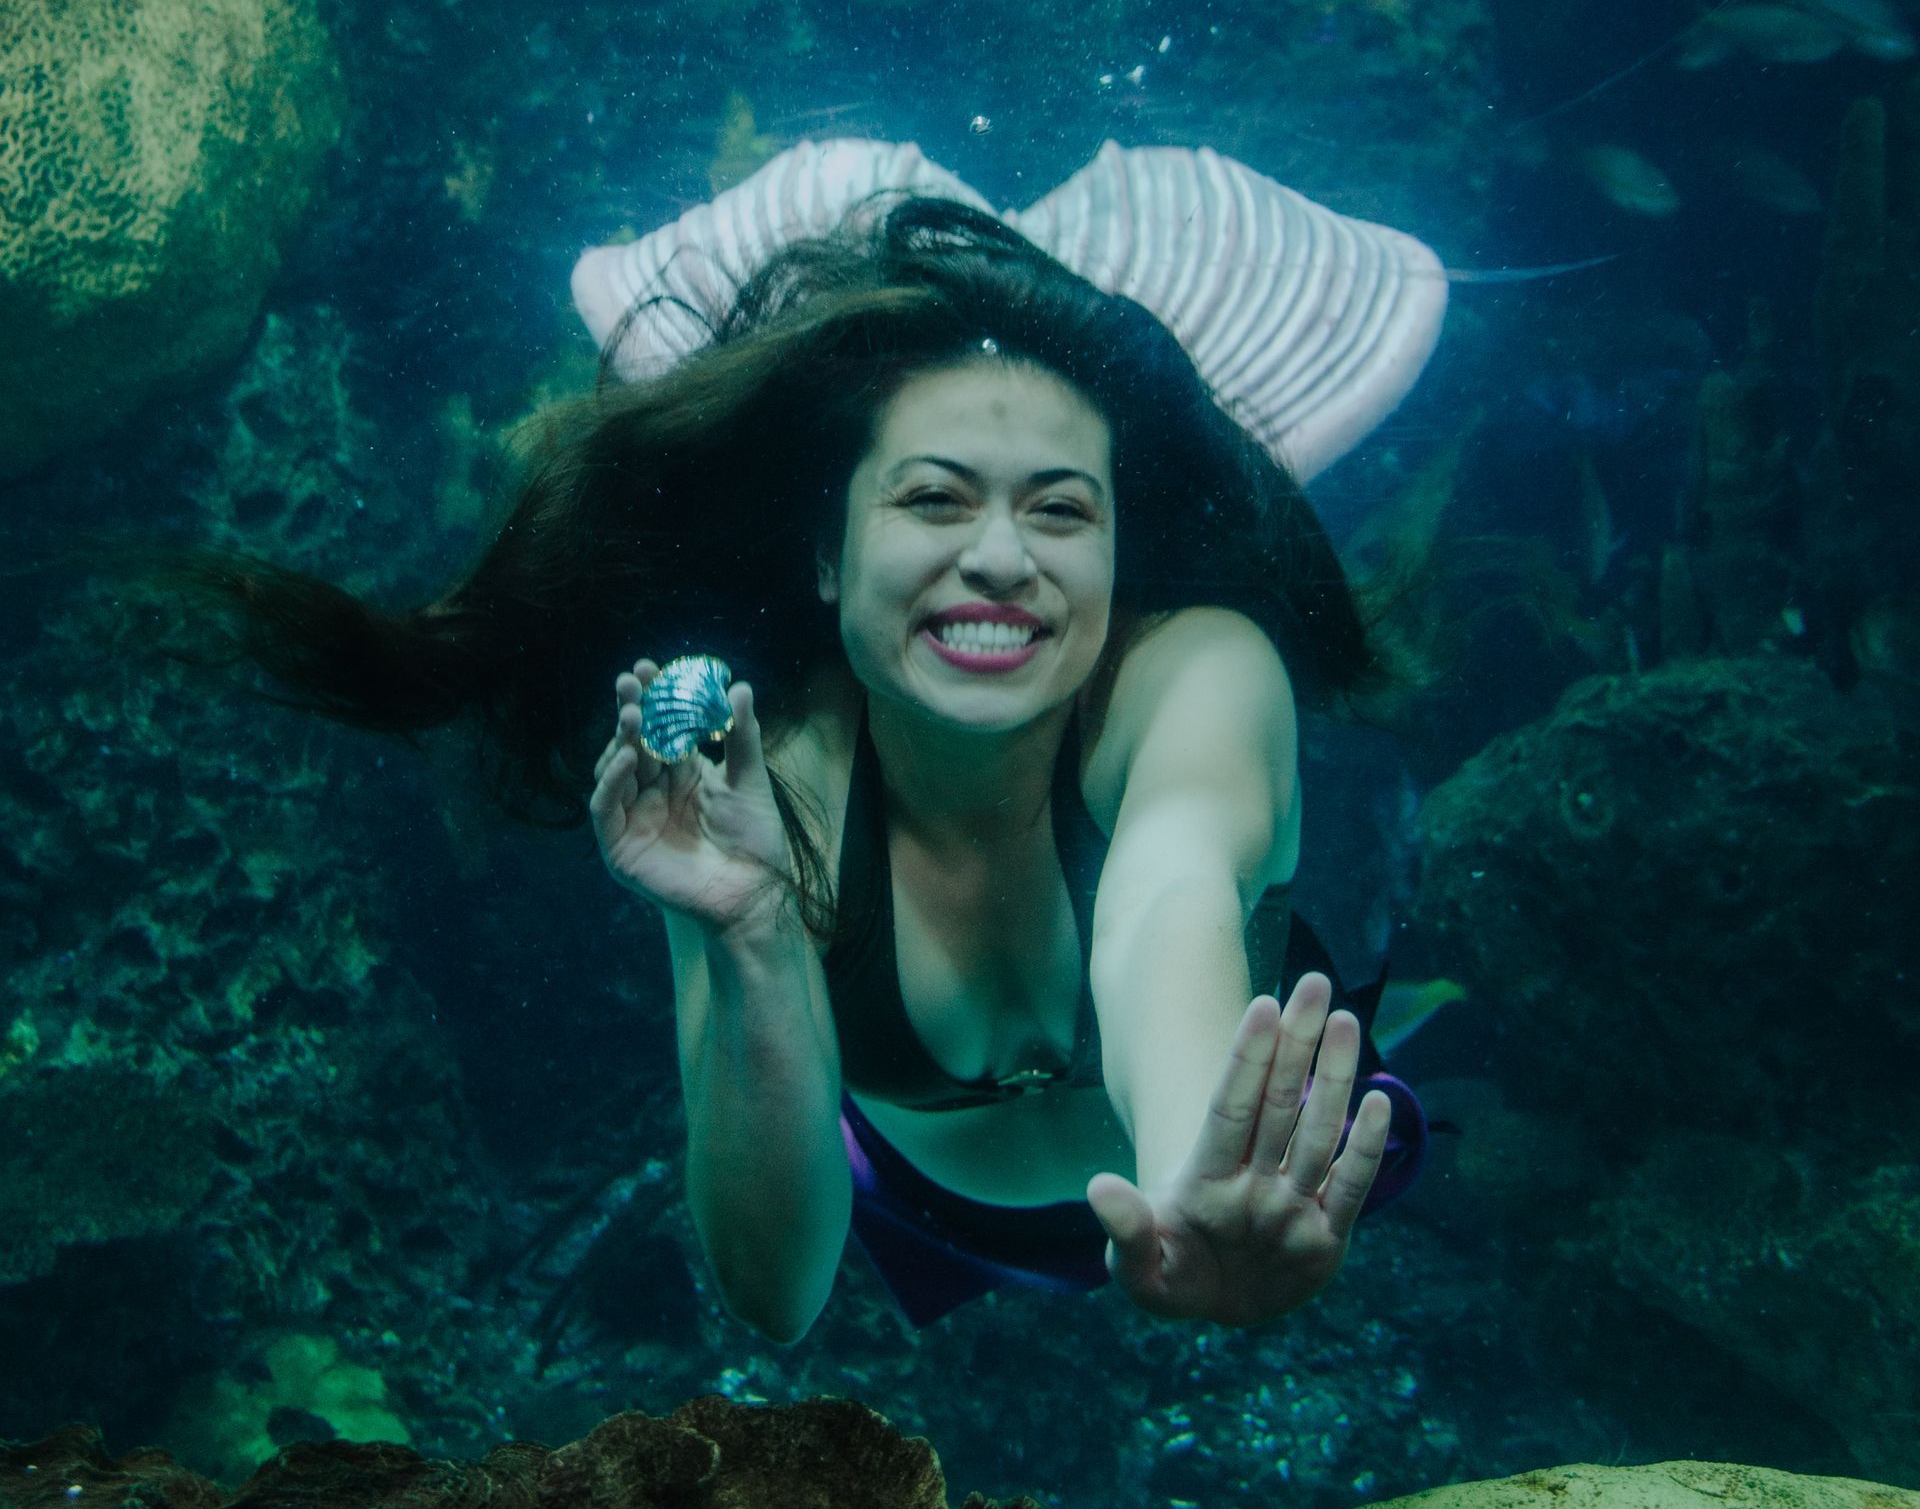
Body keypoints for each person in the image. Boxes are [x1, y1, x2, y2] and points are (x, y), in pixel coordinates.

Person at [201, 174, 1434, 1343]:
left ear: (1118, 558)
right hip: (933, 1214)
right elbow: (777, 1294)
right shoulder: (768, 768)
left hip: (1236, 1203)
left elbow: (1165, 898)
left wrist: (1190, 1189)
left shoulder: (1197, 673)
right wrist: (748, 931)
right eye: (935, 500)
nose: (1003, 557)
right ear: (829, 558)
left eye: (1060, 510)